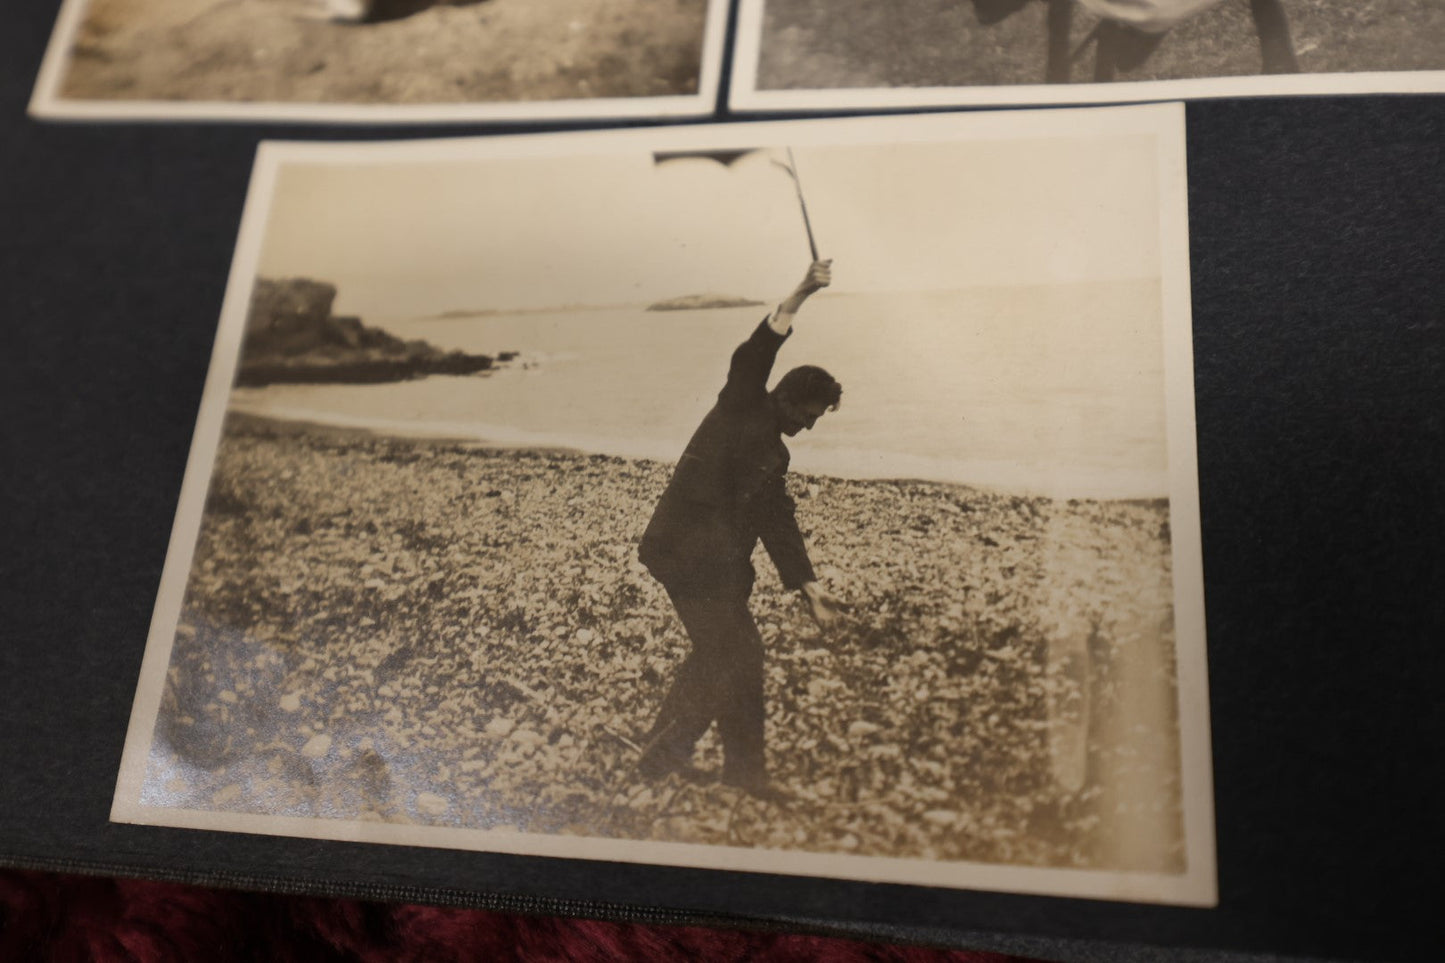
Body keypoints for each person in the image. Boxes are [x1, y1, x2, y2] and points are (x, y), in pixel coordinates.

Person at [636, 259, 845, 799]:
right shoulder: (742, 402)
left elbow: (779, 525)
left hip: (719, 570)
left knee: (728, 654)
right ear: (789, 396)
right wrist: (801, 291)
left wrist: (809, 587)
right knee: (731, 655)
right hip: (680, 556)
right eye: (811, 413)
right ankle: (671, 760)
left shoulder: (774, 456)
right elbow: (758, 349)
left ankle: (714, 765)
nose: (810, 425)